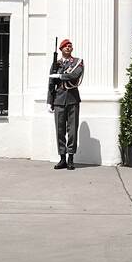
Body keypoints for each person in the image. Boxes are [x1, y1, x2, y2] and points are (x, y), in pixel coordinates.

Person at [48, 38, 84, 170]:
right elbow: (51, 84)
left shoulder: (77, 62)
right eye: (66, 46)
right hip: (58, 100)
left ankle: (71, 158)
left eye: (70, 46)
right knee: (59, 130)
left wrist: (61, 76)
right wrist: (49, 101)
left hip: (73, 99)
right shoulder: (56, 64)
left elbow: (75, 75)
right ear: (61, 49)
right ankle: (62, 158)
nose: (68, 48)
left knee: (72, 130)